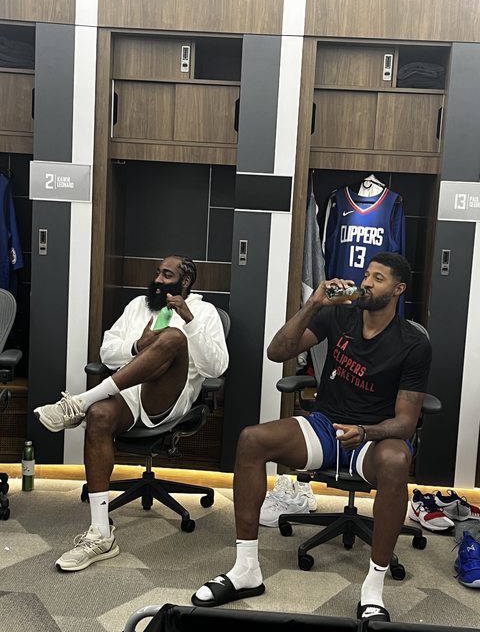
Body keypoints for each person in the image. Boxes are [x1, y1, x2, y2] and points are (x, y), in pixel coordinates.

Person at [192, 252, 431, 622]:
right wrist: (314, 304)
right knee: (252, 439)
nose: (366, 283)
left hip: (372, 439)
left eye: (378, 278)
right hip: (326, 425)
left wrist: (365, 432)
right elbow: (277, 352)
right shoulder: (339, 315)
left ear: (398, 290)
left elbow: (405, 422)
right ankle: (246, 570)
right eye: (366, 275)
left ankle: (373, 588)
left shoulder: (413, 343)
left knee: (397, 460)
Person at [35, 254, 229, 571]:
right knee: (99, 417)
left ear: (185, 281)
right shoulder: (138, 306)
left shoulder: (205, 313)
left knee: (174, 337)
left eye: (167, 275)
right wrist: (137, 346)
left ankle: (79, 403)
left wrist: (189, 321)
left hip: (169, 397)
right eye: (157, 273)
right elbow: (107, 352)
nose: (158, 280)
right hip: (128, 395)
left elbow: (216, 368)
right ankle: (101, 533)